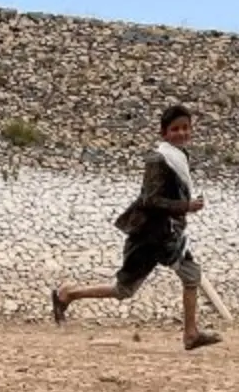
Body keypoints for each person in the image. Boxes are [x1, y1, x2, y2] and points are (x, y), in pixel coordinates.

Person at [51, 102, 222, 349]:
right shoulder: (157, 159)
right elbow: (149, 200)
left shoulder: (179, 156)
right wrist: (185, 206)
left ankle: (191, 333)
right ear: (164, 133)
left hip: (169, 234)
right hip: (149, 235)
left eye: (186, 128)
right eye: (176, 129)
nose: (182, 133)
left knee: (191, 275)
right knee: (124, 290)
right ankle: (67, 294)